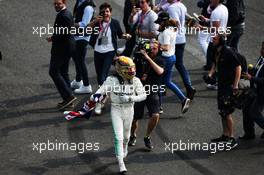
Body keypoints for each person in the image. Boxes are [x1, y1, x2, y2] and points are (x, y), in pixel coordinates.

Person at [94, 56, 146, 174]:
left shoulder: (136, 80)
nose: (131, 71)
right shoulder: (112, 80)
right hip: (116, 109)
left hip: (129, 109)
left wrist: (130, 97)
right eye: (128, 68)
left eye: (132, 68)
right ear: (120, 69)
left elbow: (143, 95)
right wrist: (94, 97)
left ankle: (125, 147)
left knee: (127, 136)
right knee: (118, 137)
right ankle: (120, 163)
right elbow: (102, 90)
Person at [88, 2, 131, 114]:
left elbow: (120, 34)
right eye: (103, 11)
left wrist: (126, 36)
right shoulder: (97, 23)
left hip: (109, 52)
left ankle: (100, 103)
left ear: (110, 13)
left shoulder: (115, 23)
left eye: (107, 11)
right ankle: (105, 95)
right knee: (99, 78)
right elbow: (86, 30)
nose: (105, 13)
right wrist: (94, 21)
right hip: (98, 52)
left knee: (103, 76)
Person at [206, 34, 241, 149]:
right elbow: (215, 64)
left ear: (221, 40)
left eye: (215, 39)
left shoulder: (228, 52)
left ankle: (232, 138)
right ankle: (225, 135)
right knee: (222, 111)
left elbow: (238, 67)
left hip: (228, 86)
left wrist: (235, 85)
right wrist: (210, 74)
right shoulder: (217, 50)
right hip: (221, 85)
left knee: (227, 112)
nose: (213, 40)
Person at [128, 40, 165, 150]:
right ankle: (133, 135)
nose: (151, 50)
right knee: (134, 118)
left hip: (152, 91)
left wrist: (148, 58)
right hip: (139, 91)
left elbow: (160, 72)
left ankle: (147, 137)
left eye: (154, 48)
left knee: (155, 115)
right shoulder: (139, 58)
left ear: (158, 49)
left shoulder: (160, 60)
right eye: (150, 48)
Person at [156, 12, 190, 114]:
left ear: (163, 22)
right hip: (172, 57)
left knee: (159, 82)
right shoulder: (172, 28)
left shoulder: (166, 32)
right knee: (166, 82)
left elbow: (166, 47)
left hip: (165, 59)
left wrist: (156, 45)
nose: (158, 24)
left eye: (159, 22)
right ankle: (183, 99)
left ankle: (159, 106)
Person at [47, 0, 76, 110]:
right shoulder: (67, 13)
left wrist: (52, 38)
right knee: (64, 72)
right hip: (68, 48)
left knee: (53, 72)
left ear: (64, 3)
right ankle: (69, 101)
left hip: (61, 49)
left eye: (59, 3)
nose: (56, 5)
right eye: (55, 3)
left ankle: (69, 96)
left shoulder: (64, 16)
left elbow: (66, 32)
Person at [167, 0, 196, 100]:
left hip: (173, 40)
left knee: (166, 61)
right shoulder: (181, 5)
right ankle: (189, 87)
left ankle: (164, 86)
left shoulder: (172, 8)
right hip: (182, 39)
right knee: (179, 64)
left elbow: (175, 23)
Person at [70, 0, 96, 94]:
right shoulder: (79, 2)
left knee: (80, 61)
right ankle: (78, 81)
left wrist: (71, 25)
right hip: (77, 35)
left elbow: (84, 23)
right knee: (77, 60)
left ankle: (86, 85)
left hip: (83, 37)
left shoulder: (88, 7)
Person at [239, 42, 264, 140]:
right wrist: (251, 71)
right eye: (262, 48)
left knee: (254, 112)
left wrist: (251, 78)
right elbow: (258, 72)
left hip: (262, 92)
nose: (261, 50)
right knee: (246, 109)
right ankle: (249, 133)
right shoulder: (261, 58)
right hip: (254, 89)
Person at [199, 0, 228, 72]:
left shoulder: (216, 12)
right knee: (217, 61)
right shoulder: (224, 8)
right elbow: (217, 22)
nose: (210, 0)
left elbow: (215, 29)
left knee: (213, 62)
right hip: (221, 39)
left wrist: (202, 28)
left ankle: (212, 77)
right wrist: (205, 19)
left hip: (215, 41)